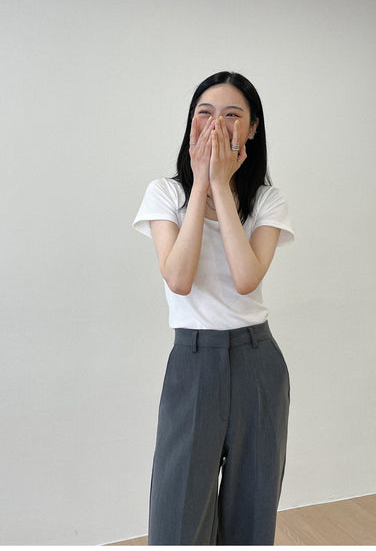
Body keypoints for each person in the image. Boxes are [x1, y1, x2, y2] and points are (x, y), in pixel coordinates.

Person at [132, 71, 294, 545]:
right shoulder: (165, 194)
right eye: (205, 113)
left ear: (253, 128)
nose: (216, 124)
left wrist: (221, 186)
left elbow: (246, 279)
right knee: (176, 522)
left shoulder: (267, 201)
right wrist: (201, 184)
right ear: (191, 123)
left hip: (257, 364)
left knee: (251, 518)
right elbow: (179, 279)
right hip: (193, 362)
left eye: (232, 115)